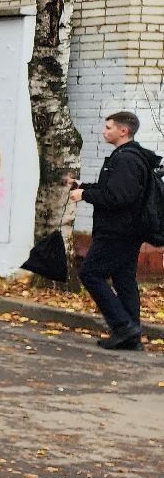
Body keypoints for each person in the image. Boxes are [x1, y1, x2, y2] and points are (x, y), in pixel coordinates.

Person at [69, 110, 156, 350]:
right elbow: (113, 190)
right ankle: (131, 338)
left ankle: (123, 326)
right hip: (127, 230)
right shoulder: (129, 156)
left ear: (123, 131)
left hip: (117, 231)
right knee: (124, 280)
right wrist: (84, 187)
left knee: (90, 274)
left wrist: (85, 195)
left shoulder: (126, 159)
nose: (104, 132)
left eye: (109, 127)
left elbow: (118, 197)